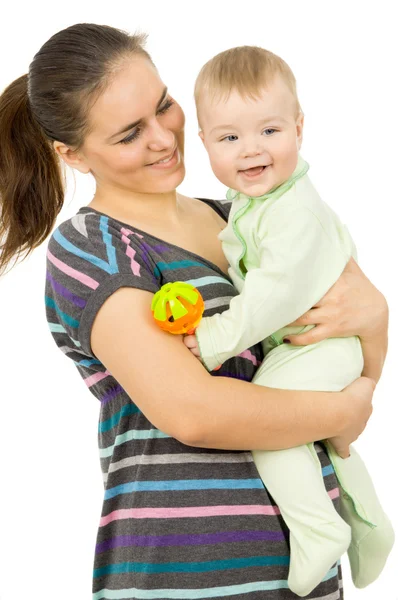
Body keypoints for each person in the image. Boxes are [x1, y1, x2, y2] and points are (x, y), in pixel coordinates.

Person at [0, 23, 388, 600]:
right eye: (130, 133)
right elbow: (193, 412)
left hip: (304, 571)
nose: (163, 138)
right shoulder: (96, 246)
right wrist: (342, 411)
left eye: (165, 106)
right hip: (185, 573)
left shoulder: (244, 217)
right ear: (72, 154)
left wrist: (377, 316)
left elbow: (349, 345)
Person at [182, 45, 394, 596]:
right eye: (229, 138)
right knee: (322, 438)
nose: (251, 150)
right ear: (204, 142)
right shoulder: (255, 205)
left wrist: (211, 340)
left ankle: (319, 529)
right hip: (311, 347)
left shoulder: (293, 210)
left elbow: (272, 297)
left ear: (299, 128)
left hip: (322, 347)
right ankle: (369, 524)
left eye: (269, 131)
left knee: (272, 426)